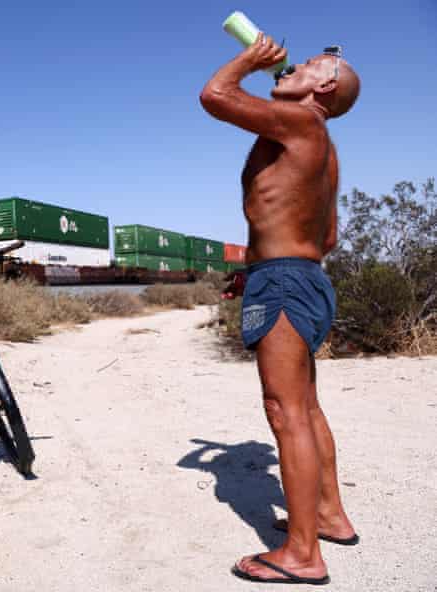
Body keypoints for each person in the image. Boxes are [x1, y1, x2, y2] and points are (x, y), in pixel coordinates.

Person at [199, 34, 361, 585]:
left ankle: (302, 554)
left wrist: (251, 58)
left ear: (325, 87)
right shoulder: (324, 145)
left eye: (309, 65)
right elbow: (330, 234)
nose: (290, 68)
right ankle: (330, 515)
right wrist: (268, 261)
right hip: (304, 277)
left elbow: (215, 95)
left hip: (286, 284)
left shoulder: (301, 121)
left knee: (284, 411)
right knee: (306, 408)